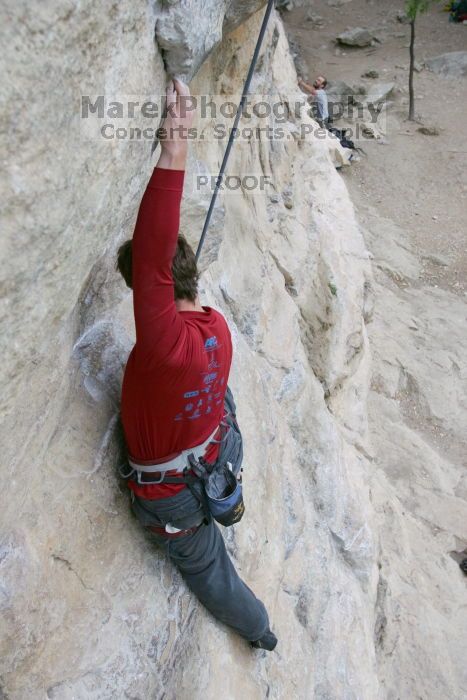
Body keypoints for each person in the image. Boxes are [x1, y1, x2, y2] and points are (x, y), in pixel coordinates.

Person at [116, 78, 277, 651]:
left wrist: (174, 151)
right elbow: (165, 265)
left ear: (150, 291)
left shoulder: (164, 346)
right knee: (222, 396)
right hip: (219, 448)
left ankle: (259, 630)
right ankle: (228, 493)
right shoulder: (215, 327)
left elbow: (153, 252)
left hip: (173, 496)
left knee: (208, 568)